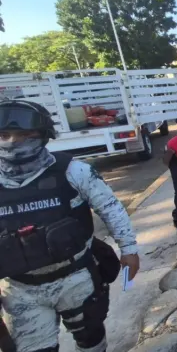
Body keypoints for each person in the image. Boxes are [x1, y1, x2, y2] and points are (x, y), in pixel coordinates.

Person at [0, 100, 139, 352]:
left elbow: (110, 208)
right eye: (4, 135)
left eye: (24, 134)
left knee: (91, 338)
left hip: (76, 277)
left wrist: (128, 249)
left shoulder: (74, 171)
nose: (12, 142)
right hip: (21, 289)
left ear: (43, 135)